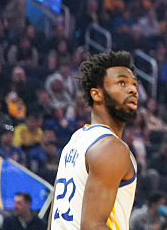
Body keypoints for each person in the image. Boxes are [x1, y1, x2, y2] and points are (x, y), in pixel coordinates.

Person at [51, 51, 139, 230]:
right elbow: (92, 226)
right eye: (121, 83)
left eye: (134, 84)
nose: (132, 90)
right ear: (97, 94)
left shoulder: (75, 141)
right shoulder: (111, 147)